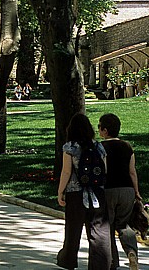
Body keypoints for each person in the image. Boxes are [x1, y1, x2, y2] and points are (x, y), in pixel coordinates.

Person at [56, 113, 111, 270]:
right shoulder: (99, 146)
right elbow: (105, 169)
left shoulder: (70, 147)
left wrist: (61, 192)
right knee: (99, 231)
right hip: (97, 193)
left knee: (73, 229)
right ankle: (100, 265)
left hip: (75, 193)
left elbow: (66, 172)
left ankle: (68, 259)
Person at [99, 113, 141, 270]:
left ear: (105, 130)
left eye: (99, 127)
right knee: (123, 225)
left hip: (108, 189)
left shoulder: (100, 147)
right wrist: (136, 191)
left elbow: (102, 170)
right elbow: (132, 172)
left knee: (107, 226)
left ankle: (112, 262)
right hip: (127, 190)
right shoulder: (127, 146)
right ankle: (131, 252)